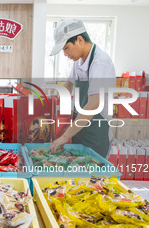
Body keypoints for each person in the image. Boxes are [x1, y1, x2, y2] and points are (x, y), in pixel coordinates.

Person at [49, 19, 116, 158]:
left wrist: (65, 136)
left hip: (96, 133)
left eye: (66, 48)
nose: (65, 54)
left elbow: (93, 105)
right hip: (80, 130)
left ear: (79, 40)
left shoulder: (100, 63)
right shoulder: (79, 60)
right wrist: (51, 107)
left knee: (93, 178)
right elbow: (67, 85)